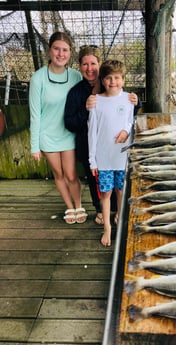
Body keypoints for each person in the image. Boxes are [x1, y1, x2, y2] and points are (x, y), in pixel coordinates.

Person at [64, 46, 140, 225]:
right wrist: (86, 109)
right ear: (80, 66)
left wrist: (137, 102)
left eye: (93, 63)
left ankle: (117, 211)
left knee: (119, 183)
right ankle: (101, 209)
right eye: (85, 64)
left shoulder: (112, 82)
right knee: (96, 183)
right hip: (89, 145)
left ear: (99, 65)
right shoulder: (76, 93)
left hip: (116, 147)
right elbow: (70, 123)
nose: (89, 68)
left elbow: (126, 110)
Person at [29, 31, 87, 225]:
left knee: (71, 173)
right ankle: (69, 207)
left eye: (65, 50)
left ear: (70, 53)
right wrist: (34, 146)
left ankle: (78, 205)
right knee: (59, 174)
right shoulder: (38, 78)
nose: (60, 54)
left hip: (68, 133)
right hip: (47, 135)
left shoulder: (76, 76)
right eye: (56, 49)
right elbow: (35, 114)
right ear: (49, 50)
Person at [88, 59, 134, 247]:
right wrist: (92, 160)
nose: (113, 82)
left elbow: (130, 122)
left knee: (121, 191)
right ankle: (107, 227)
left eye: (117, 78)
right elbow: (91, 132)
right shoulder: (96, 102)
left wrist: (126, 131)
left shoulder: (129, 99)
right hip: (104, 158)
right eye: (108, 78)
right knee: (105, 194)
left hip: (122, 157)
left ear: (123, 79)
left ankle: (121, 221)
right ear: (102, 80)